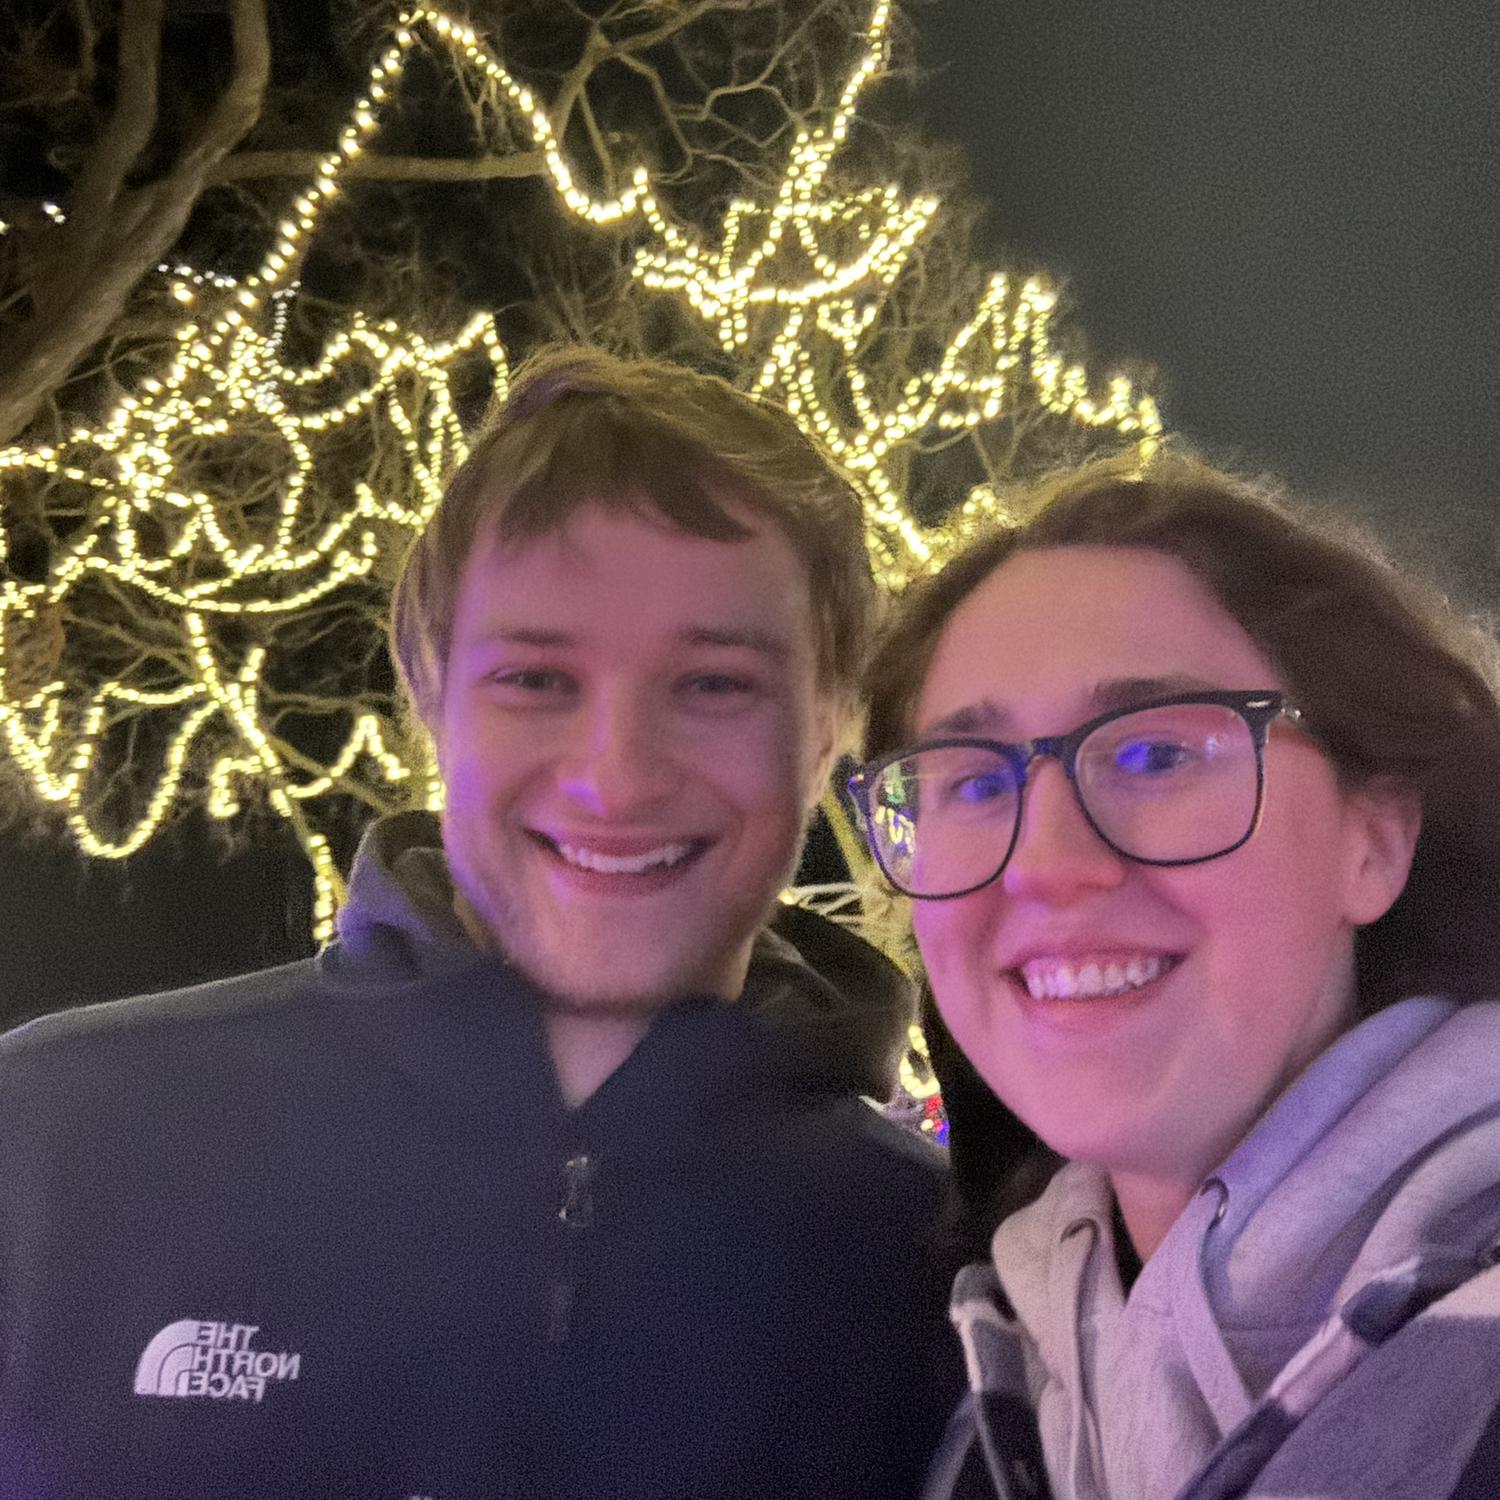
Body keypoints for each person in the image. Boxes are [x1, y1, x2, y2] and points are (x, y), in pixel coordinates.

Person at [0, 347, 962, 1500]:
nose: (616, 776)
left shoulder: (949, 1286)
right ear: (430, 696)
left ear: (829, 729)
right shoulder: (54, 1147)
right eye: (537, 680)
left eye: (715, 684)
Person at [848, 454, 1500, 1500]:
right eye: (971, 784)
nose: (1045, 865)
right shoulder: (1004, 1370)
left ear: (1374, 840)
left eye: (1156, 756)